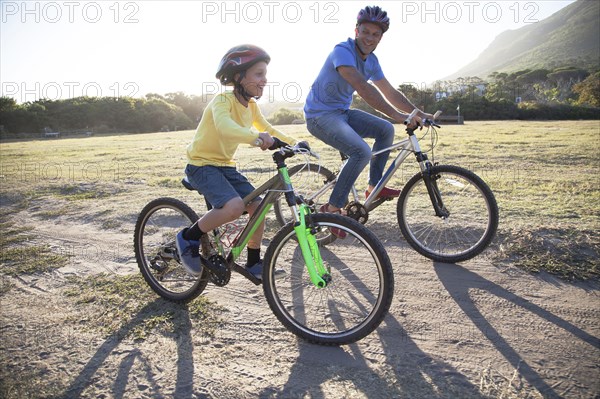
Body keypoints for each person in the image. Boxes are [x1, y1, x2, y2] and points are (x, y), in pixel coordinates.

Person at [176, 44, 295, 280]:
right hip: (201, 165)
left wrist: (295, 142)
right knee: (234, 208)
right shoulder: (222, 100)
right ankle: (188, 237)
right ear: (239, 77)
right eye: (259, 74)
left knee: (259, 208)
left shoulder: (251, 105)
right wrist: (257, 139)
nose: (264, 80)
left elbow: (266, 128)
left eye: (265, 74)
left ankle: (253, 262)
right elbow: (225, 128)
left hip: (225, 165)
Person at [304, 5, 433, 216]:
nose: (369, 38)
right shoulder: (342, 50)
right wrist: (399, 116)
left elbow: (390, 92)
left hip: (342, 113)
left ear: (381, 38)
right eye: (365, 32)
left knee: (385, 130)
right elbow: (363, 88)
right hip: (320, 116)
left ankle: (374, 186)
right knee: (361, 151)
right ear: (356, 31)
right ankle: (333, 208)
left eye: (375, 34)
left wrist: (418, 113)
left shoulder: (372, 61)